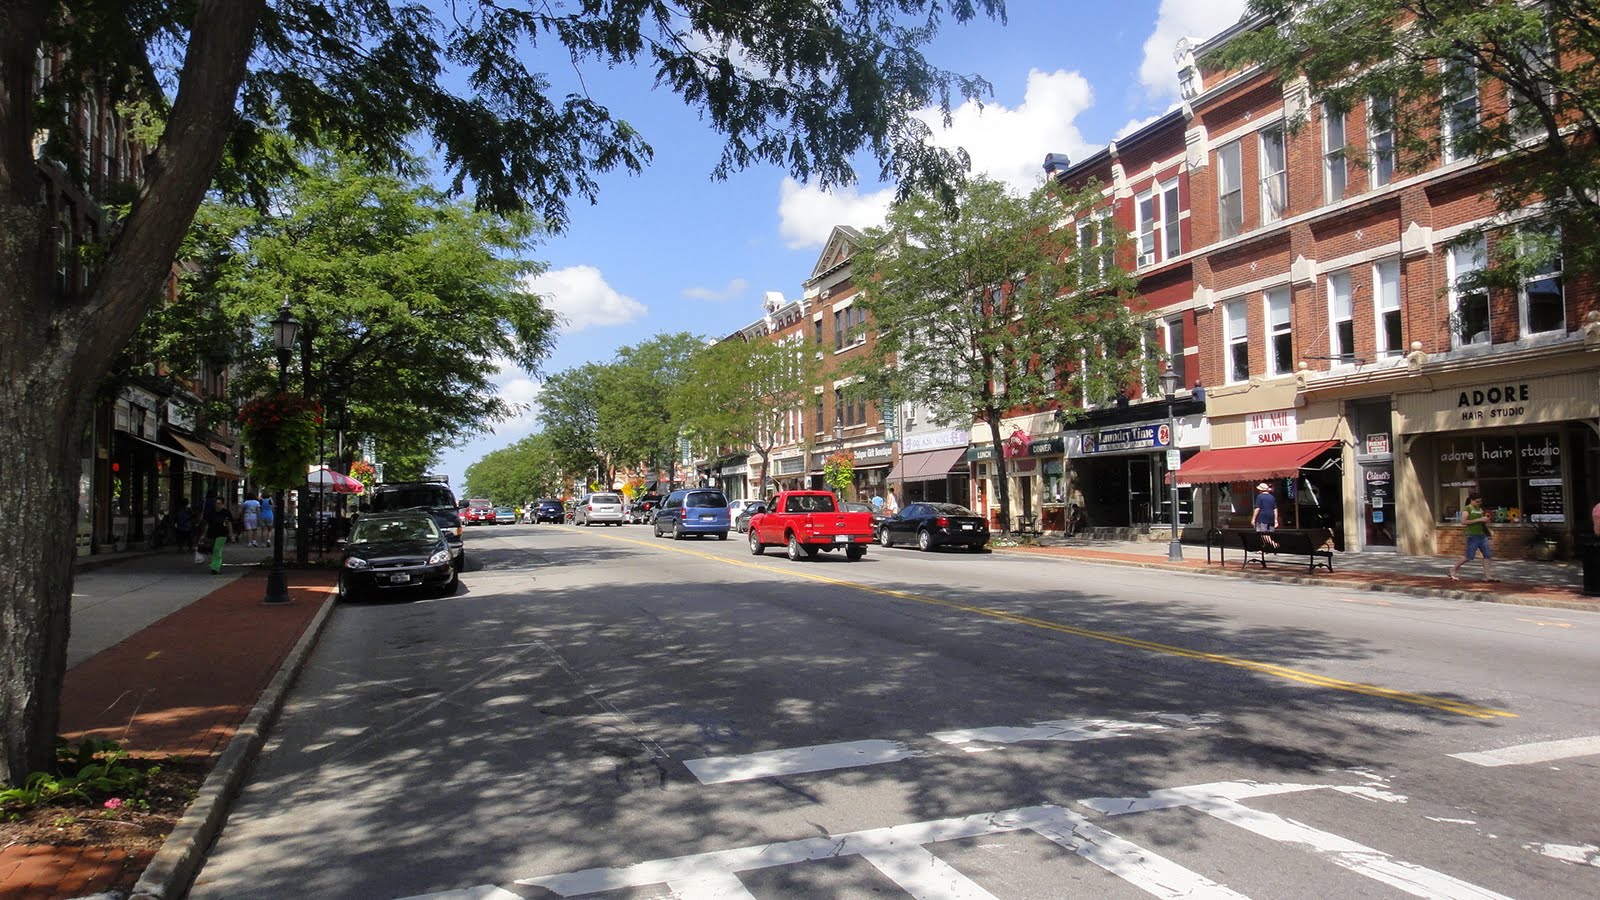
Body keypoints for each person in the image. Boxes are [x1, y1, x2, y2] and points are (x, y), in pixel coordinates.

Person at [1449, 492, 1496, 582]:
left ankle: (1488, 576)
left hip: (1482, 535)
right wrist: (1479, 519)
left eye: (1480, 502)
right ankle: (1453, 569)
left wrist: (1486, 521)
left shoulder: (1479, 509)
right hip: (1473, 535)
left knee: (1487, 555)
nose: (1479, 503)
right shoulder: (1467, 509)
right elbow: (1463, 522)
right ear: (1471, 500)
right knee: (1469, 556)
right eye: (1477, 501)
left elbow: (1482, 519)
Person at [200, 495, 233, 574]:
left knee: (217, 550)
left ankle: (215, 568)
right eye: (216, 503)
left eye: (219, 503)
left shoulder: (226, 512)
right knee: (214, 550)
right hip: (211, 533)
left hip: (222, 533)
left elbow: (229, 523)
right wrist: (204, 535)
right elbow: (207, 524)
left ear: (222, 504)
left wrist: (231, 533)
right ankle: (215, 566)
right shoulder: (211, 512)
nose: (218, 505)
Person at [1250, 482, 1279, 549]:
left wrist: (1253, 518)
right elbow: (1275, 509)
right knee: (1270, 533)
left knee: (1262, 533)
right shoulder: (1272, 497)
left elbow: (1257, 508)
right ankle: (1266, 547)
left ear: (1261, 490)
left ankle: (1273, 544)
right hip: (1271, 518)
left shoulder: (1259, 497)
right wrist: (1276, 520)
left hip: (1261, 518)